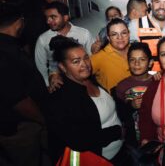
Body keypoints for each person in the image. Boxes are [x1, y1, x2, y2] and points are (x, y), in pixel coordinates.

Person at [46, 36, 129, 165]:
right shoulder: (61, 97)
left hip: (120, 152)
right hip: (99, 159)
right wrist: (117, 132)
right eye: (76, 61)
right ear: (62, 67)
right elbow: (78, 139)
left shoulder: (90, 79)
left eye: (86, 58)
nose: (84, 64)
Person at [0, 2, 48, 166]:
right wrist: (44, 120)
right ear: (19, 21)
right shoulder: (5, 54)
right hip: (22, 127)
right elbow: (18, 100)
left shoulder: (11, 45)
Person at [35, 1, 95, 87]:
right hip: (58, 84)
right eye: (47, 18)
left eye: (53, 17)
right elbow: (41, 67)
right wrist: (48, 84)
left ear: (65, 17)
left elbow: (91, 58)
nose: (48, 21)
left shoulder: (84, 33)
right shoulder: (43, 39)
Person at [115, 42, 155, 142]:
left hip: (155, 135)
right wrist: (131, 105)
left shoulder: (157, 81)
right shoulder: (122, 86)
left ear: (150, 62)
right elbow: (119, 114)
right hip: (132, 138)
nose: (137, 64)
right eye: (132, 60)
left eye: (142, 59)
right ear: (128, 62)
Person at [91, 18, 131, 92]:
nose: (120, 37)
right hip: (115, 101)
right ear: (108, 38)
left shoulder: (136, 50)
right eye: (114, 34)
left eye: (124, 33)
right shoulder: (100, 56)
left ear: (129, 34)